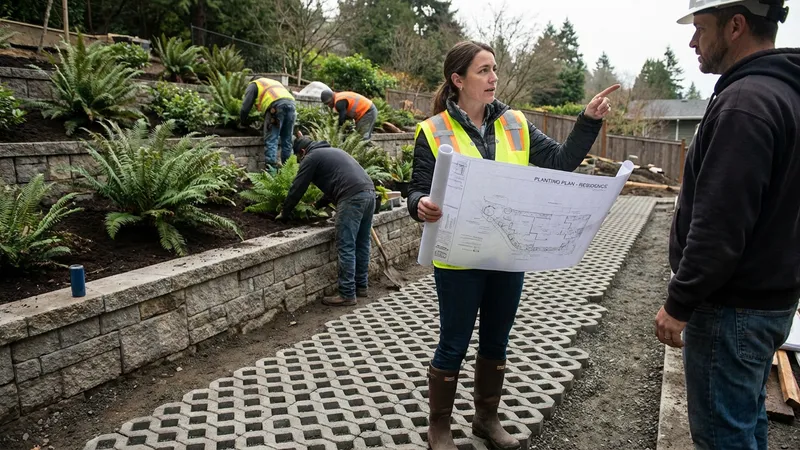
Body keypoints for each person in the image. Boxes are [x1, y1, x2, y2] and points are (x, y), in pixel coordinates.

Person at [406, 40, 618, 450]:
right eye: (483, 70)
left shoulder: (515, 123)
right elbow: (416, 189)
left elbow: (560, 161)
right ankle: (439, 427)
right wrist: (421, 206)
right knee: (453, 342)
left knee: (496, 342)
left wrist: (588, 121)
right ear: (458, 80)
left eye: (494, 69)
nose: (494, 78)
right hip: (459, 259)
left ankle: (486, 418)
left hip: (507, 255)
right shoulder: (433, 131)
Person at [655, 1, 799, 449]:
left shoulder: (745, 103)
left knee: (723, 437)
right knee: (745, 419)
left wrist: (679, 302)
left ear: (735, 25)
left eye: (701, 27)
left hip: (731, 308)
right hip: (771, 300)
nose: (692, 41)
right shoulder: (785, 93)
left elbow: (720, 224)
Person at [277, 136, 376, 306]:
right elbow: (337, 182)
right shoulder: (333, 151)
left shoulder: (311, 157)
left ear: (302, 152)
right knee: (362, 243)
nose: (300, 161)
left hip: (351, 198)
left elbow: (298, 186)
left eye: (299, 157)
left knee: (346, 244)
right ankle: (361, 286)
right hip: (369, 193)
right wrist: (318, 204)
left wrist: (285, 212)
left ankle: (347, 293)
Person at [240, 77, 297, 173]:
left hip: (275, 108)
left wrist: (242, 121)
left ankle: (271, 174)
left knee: (272, 140)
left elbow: (245, 107)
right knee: (287, 140)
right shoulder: (273, 82)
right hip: (292, 105)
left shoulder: (254, 84)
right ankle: (289, 172)